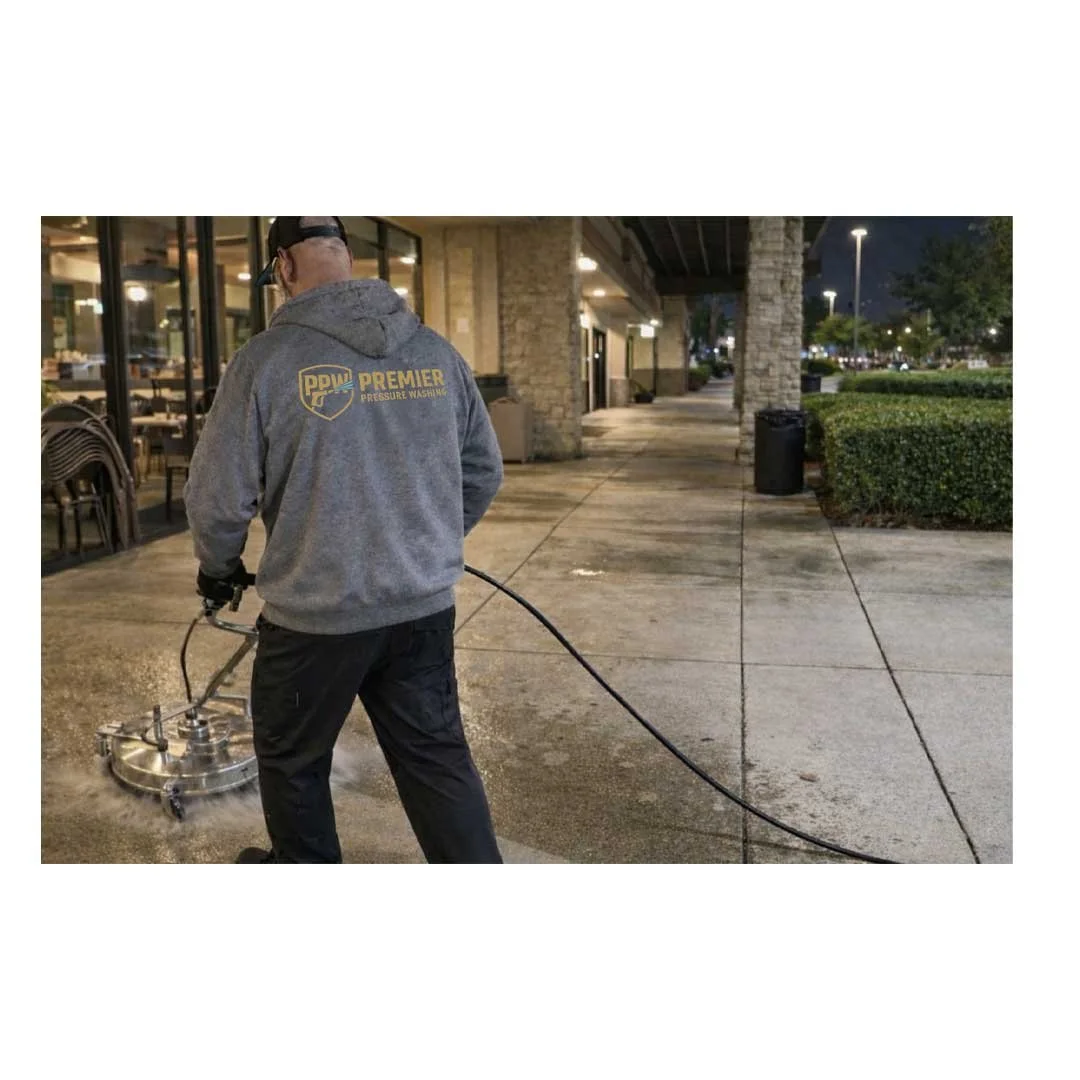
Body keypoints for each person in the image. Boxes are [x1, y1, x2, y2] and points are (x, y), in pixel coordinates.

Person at [184, 217, 505, 864]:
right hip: (421, 612)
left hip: (314, 624)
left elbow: (216, 498)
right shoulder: (436, 353)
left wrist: (219, 567)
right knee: (437, 760)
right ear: (348, 259)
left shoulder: (266, 361)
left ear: (284, 267)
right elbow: (483, 471)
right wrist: (420, 543)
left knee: (294, 763)